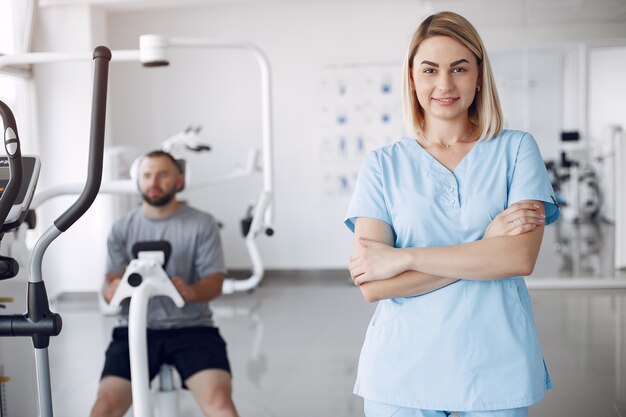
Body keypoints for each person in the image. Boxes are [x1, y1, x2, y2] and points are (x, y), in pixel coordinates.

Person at [345, 11, 560, 417]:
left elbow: (518, 258)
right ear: (412, 78)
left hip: (496, 362)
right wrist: (485, 246)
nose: (444, 84)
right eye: (430, 70)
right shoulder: (382, 164)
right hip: (401, 368)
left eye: (459, 68)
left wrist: (403, 258)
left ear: (479, 75)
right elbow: (373, 285)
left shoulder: (517, 150)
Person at [90, 150, 239, 417]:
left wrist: (190, 291)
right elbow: (110, 281)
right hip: (135, 330)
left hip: (192, 329)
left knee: (222, 406)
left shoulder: (202, 224)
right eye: (147, 176)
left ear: (178, 181)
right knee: (103, 408)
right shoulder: (122, 228)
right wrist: (112, 291)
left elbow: (215, 283)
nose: (153, 182)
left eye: (162, 175)